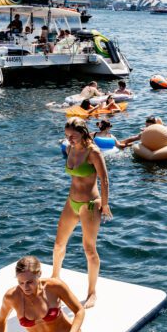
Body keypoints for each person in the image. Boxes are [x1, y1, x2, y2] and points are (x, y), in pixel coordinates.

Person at [0, 255, 93, 332]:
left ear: (39, 274)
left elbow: (79, 311)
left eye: (30, 282)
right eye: (21, 282)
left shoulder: (55, 287)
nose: (25, 287)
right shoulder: (11, 297)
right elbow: (1, 321)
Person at [53, 118, 112, 308]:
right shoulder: (70, 148)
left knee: (89, 249)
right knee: (59, 244)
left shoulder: (93, 152)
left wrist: (105, 204)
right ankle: (55, 280)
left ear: (83, 132)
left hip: (90, 204)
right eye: (67, 135)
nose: (69, 139)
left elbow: (104, 180)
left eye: (73, 135)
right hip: (71, 202)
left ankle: (92, 293)